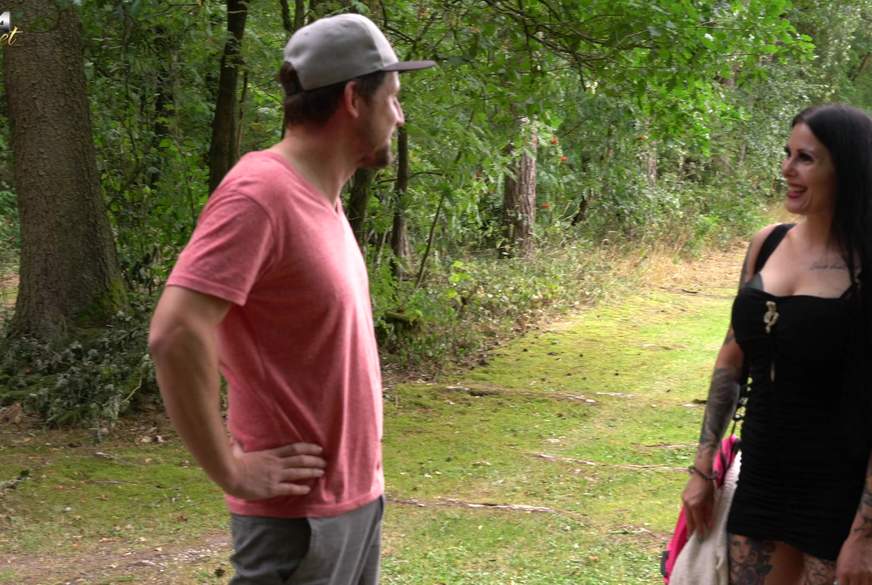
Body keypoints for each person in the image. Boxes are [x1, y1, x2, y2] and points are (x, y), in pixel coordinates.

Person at [148, 14, 434, 585]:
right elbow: (176, 331)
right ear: (353, 98)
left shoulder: (321, 198)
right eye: (393, 98)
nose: (399, 116)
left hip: (352, 503)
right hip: (297, 524)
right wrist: (230, 469)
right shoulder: (261, 193)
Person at [681, 104, 872, 585]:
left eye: (806, 158)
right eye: (787, 154)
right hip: (762, 475)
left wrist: (866, 532)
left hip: (843, 488)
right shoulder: (766, 244)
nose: (787, 169)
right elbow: (732, 359)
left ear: (847, 168)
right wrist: (703, 468)